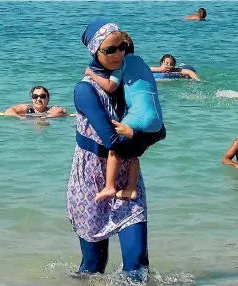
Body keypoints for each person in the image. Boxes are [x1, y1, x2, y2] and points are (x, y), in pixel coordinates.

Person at [67, 19, 164, 282]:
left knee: (137, 263)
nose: (118, 54)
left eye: (122, 47)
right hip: (91, 180)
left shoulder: (130, 82)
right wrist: (140, 141)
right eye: (110, 50)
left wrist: (139, 139)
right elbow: (111, 140)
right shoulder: (85, 90)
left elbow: (160, 129)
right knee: (94, 265)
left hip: (128, 177)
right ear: (94, 52)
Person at [84, 32, 165, 201]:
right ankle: (131, 188)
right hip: (157, 119)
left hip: (139, 115)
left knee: (116, 147)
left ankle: (110, 186)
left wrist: (91, 74)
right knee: (133, 152)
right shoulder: (142, 63)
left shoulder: (122, 64)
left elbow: (110, 86)